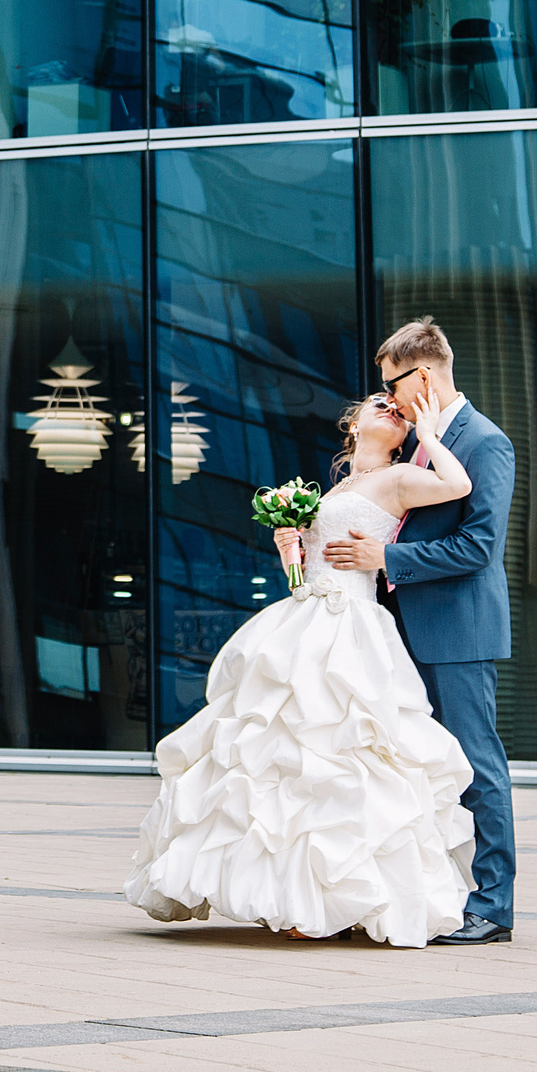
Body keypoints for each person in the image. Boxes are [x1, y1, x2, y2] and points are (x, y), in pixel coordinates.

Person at [125, 389, 477, 946]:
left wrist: (429, 434)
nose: (390, 410)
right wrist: (289, 546)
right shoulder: (335, 487)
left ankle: (335, 900)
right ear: (353, 423)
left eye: (398, 409)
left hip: (353, 626)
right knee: (277, 755)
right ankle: (288, 896)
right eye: (378, 404)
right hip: (302, 619)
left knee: (345, 755)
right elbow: (310, 560)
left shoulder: (396, 478)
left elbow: (458, 486)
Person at [320, 317, 518, 946]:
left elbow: (479, 546)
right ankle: (430, 896)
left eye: (392, 384)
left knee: (475, 767)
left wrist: (388, 562)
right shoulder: (411, 446)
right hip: (394, 635)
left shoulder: (485, 441)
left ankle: (493, 906)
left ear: (422, 376)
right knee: (409, 769)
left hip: (459, 633)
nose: (390, 399)